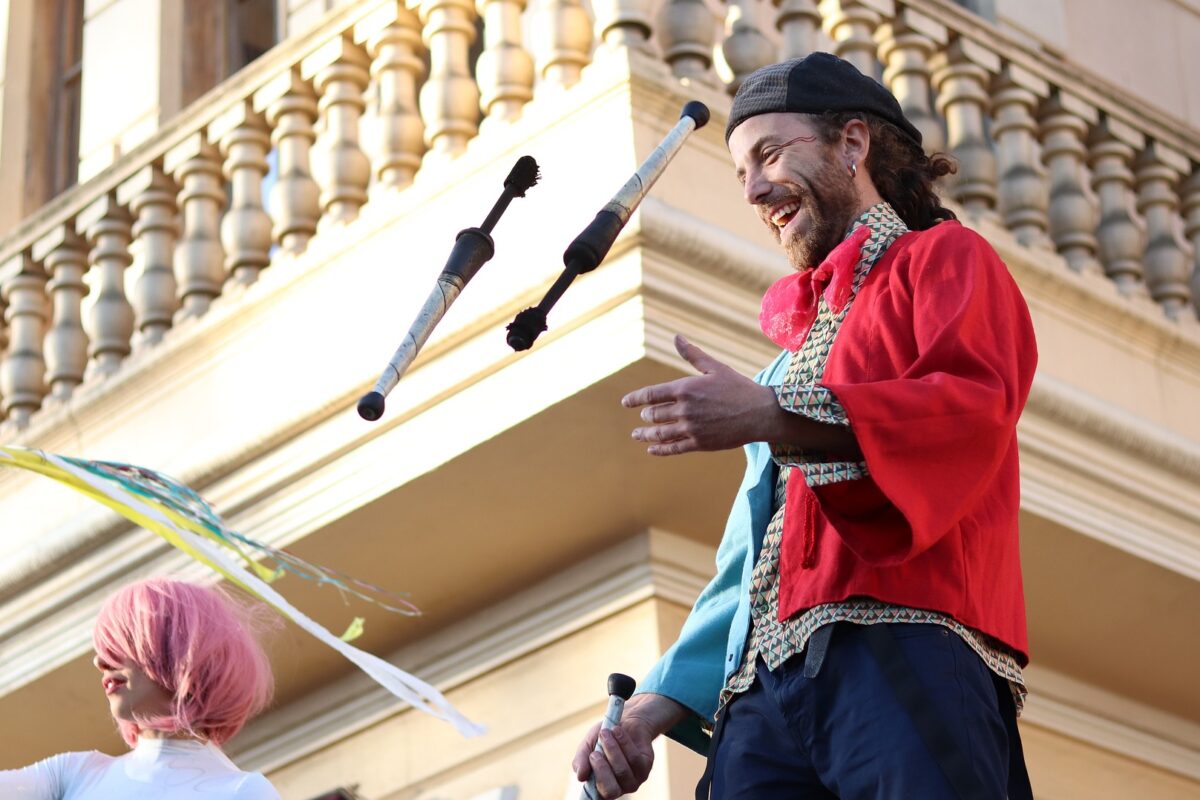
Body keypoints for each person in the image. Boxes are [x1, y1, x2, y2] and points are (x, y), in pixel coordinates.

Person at [572, 52, 1038, 799]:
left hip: (900, 644)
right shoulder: (782, 368)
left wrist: (773, 416)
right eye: (740, 173)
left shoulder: (945, 259)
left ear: (852, 144)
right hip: (760, 700)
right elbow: (747, 562)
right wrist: (650, 714)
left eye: (769, 154)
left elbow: (969, 408)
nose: (755, 187)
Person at [0, 577, 280, 798]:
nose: (100, 661)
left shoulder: (243, 792)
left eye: (120, 645)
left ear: (179, 650)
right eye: (103, 649)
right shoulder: (74, 774)